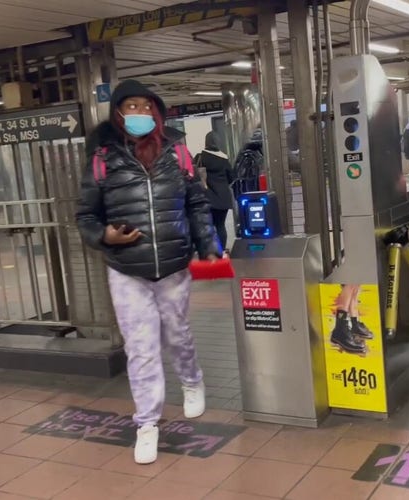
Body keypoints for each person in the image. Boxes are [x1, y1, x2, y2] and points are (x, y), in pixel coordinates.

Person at [75, 79, 222, 464]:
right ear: (118, 112)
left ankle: (192, 380)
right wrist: (104, 235)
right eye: (131, 106)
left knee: (177, 333)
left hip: (172, 264)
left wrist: (208, 243)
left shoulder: (176, 151)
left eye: (146, 106)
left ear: (156, 111)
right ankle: (147, 424)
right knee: (141, 348)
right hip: (126, 268)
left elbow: (196, 202)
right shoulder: (102, 157)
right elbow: (86, 215)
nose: (140, 113)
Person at [196, 131, 235, 252]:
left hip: (208, 196)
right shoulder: (224, 158)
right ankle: (222, 251)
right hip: (223, 197)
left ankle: (212, 251)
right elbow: (231, 177)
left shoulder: (201, 157)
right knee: (221, 225)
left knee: (209, 226)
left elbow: (195, 176)